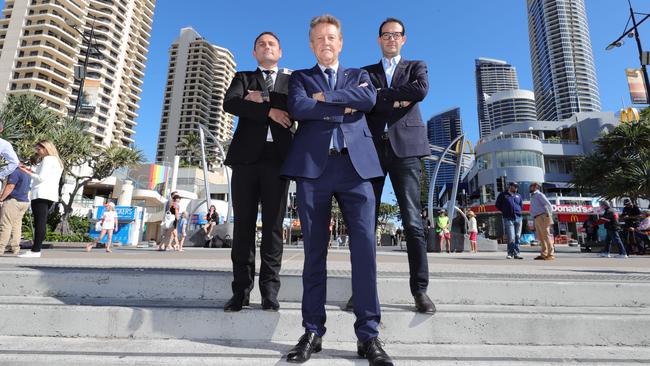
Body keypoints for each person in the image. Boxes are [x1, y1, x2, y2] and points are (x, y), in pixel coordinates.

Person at [281, 15, 392, 365]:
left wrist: (326, 98)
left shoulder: (360, 75)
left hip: (356, 169)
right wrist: (341, 104)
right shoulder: (299, 78)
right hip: (314, 169)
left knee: (364, 251)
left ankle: (368, 336)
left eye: (331, 38)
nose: (325, 43)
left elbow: (367, 101)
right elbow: (299, 107)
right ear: (312, 45)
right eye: (318, 39)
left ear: (340, 42)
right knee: (314, 251)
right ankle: (312, 330)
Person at [356, 17, 434, 315]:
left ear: (404, 39)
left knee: (413, 221)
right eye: (385, 35)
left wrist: (383, 96)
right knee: (366, 223)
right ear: (378, 40)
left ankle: (420, 290)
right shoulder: (365, 72)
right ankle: (363, 290)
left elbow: (421, 90)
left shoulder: (416, 67)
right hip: (372, 150)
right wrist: (398, 99)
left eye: (396, 34)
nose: (390, 38)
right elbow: (364, 102)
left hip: (407, 151)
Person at [222, 31, 292, 313]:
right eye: (261, 44)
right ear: (254, 53)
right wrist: (269, 110)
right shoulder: (242, 78)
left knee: (274, 229)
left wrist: (259, 99)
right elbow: (231, 103)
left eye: (272, 43)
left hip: (279, 160)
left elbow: (295, 105)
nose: (266, 47)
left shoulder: (292, 80)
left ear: (280, 51)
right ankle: (240, 291)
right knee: (244, 227)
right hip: (245, 160)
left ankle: (270, 292)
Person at [17, 140, 63, 258]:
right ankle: (36, 249)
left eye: (39, 149)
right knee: (41, 222)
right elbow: (45, 176)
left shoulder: (47, 160)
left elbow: (40, 178)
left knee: (40, 223)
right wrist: (29, 169)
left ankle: (35, 250)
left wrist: (24, 170)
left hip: (41, 194)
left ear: (46, 148)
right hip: (49, 195)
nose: (37, 152)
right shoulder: (56, 161)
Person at [0, 168, 31, 255]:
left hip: (13, 201)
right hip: (24, 201)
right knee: (16, 225)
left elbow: (10, 186)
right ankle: (15, 248)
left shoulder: (15, 171)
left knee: (6, 224)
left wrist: (1, 198)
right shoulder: (27, 172)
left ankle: (1, 248)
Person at [495, 182, 524, 260]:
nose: (516, 188)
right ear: (510, 187)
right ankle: (510, 253)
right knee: (511, 237)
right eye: (515, 186)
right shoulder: (503, 195)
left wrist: (519, 212)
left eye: (517, 187)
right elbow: (497, 205)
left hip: (518, 218)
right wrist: (504, 211)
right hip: (508, 218)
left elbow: (521, 205)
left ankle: (517, 253)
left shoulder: (518, 196)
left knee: (517, 236)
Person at [529, 182, 554, 261]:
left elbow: (548, 204)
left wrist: (548, 215)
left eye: (531, 186)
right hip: (537, 217)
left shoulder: (539, 195)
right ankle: (544, 254)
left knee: (546, 235)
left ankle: (551, 254)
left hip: (542, 216)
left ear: (536, 186)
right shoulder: (533, 196)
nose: (530, 187)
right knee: (541, 237)